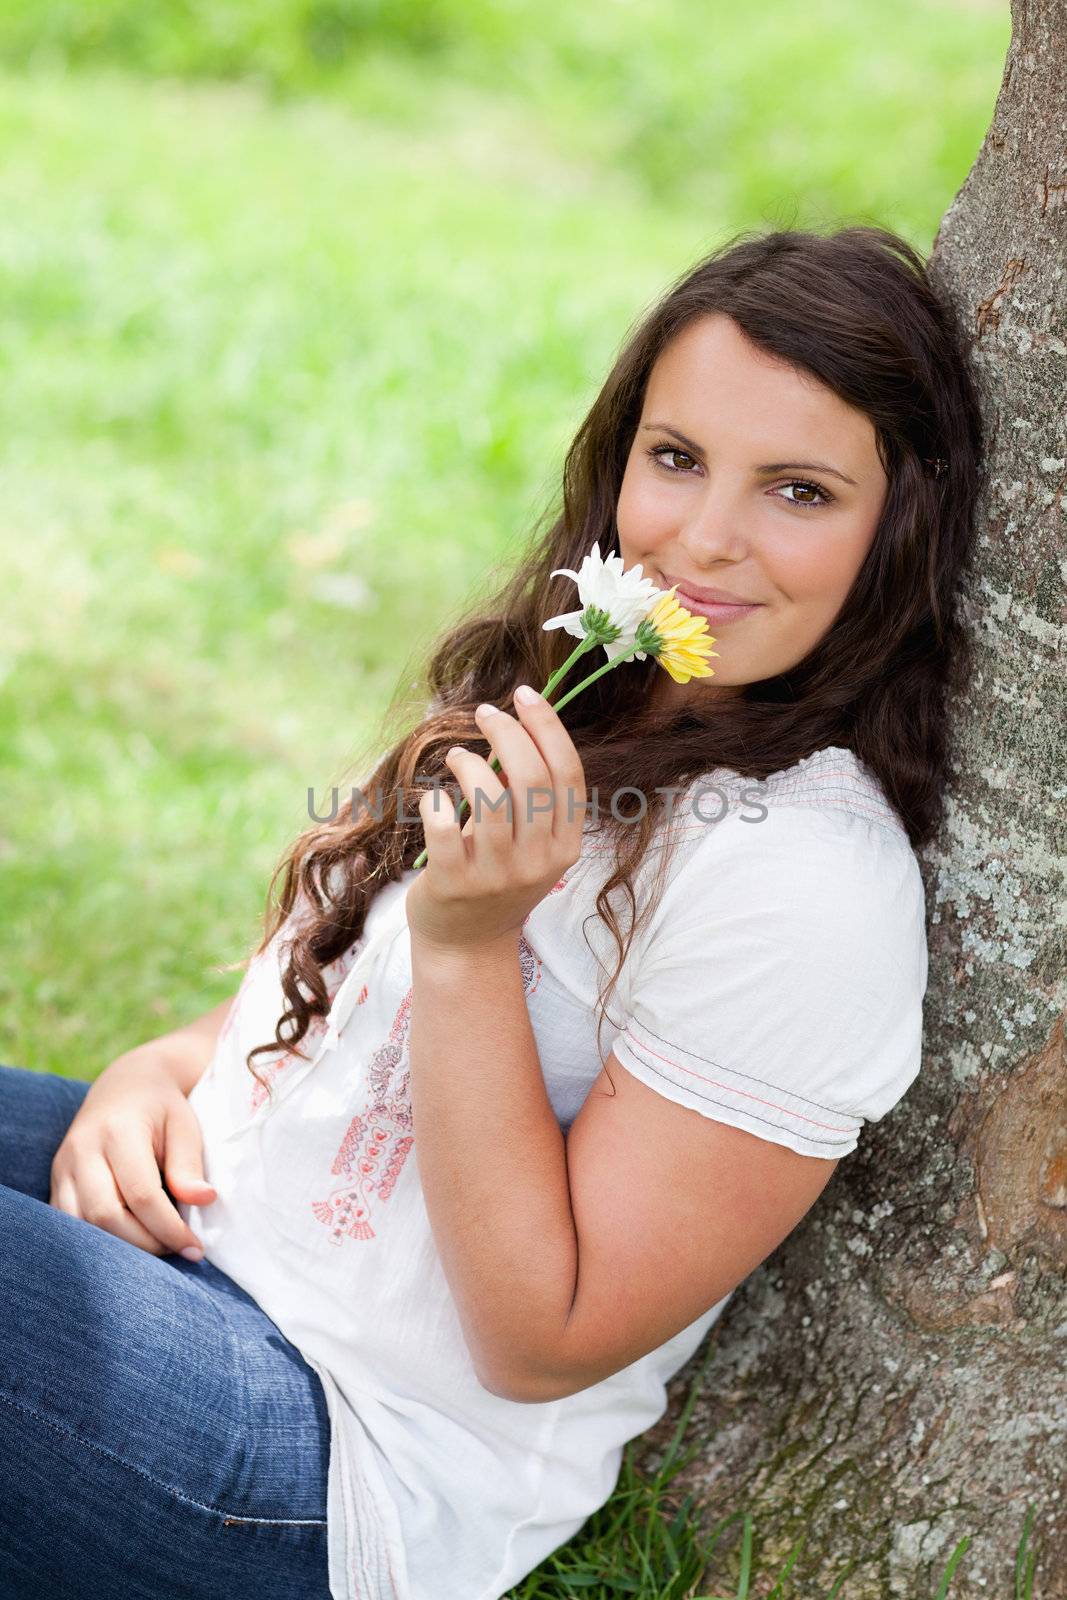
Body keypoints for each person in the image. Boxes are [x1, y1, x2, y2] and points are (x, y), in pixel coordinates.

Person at [0, 223, 985, 1600]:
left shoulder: (810, 887)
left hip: (325, 1451)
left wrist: (470, 948)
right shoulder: (597, 689)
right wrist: (153, 1075)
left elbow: (549, 1334)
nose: (704, 538)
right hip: (216, 1222)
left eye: (801, 490)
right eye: (679, 458)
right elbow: (341, 1012)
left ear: (903, 527)